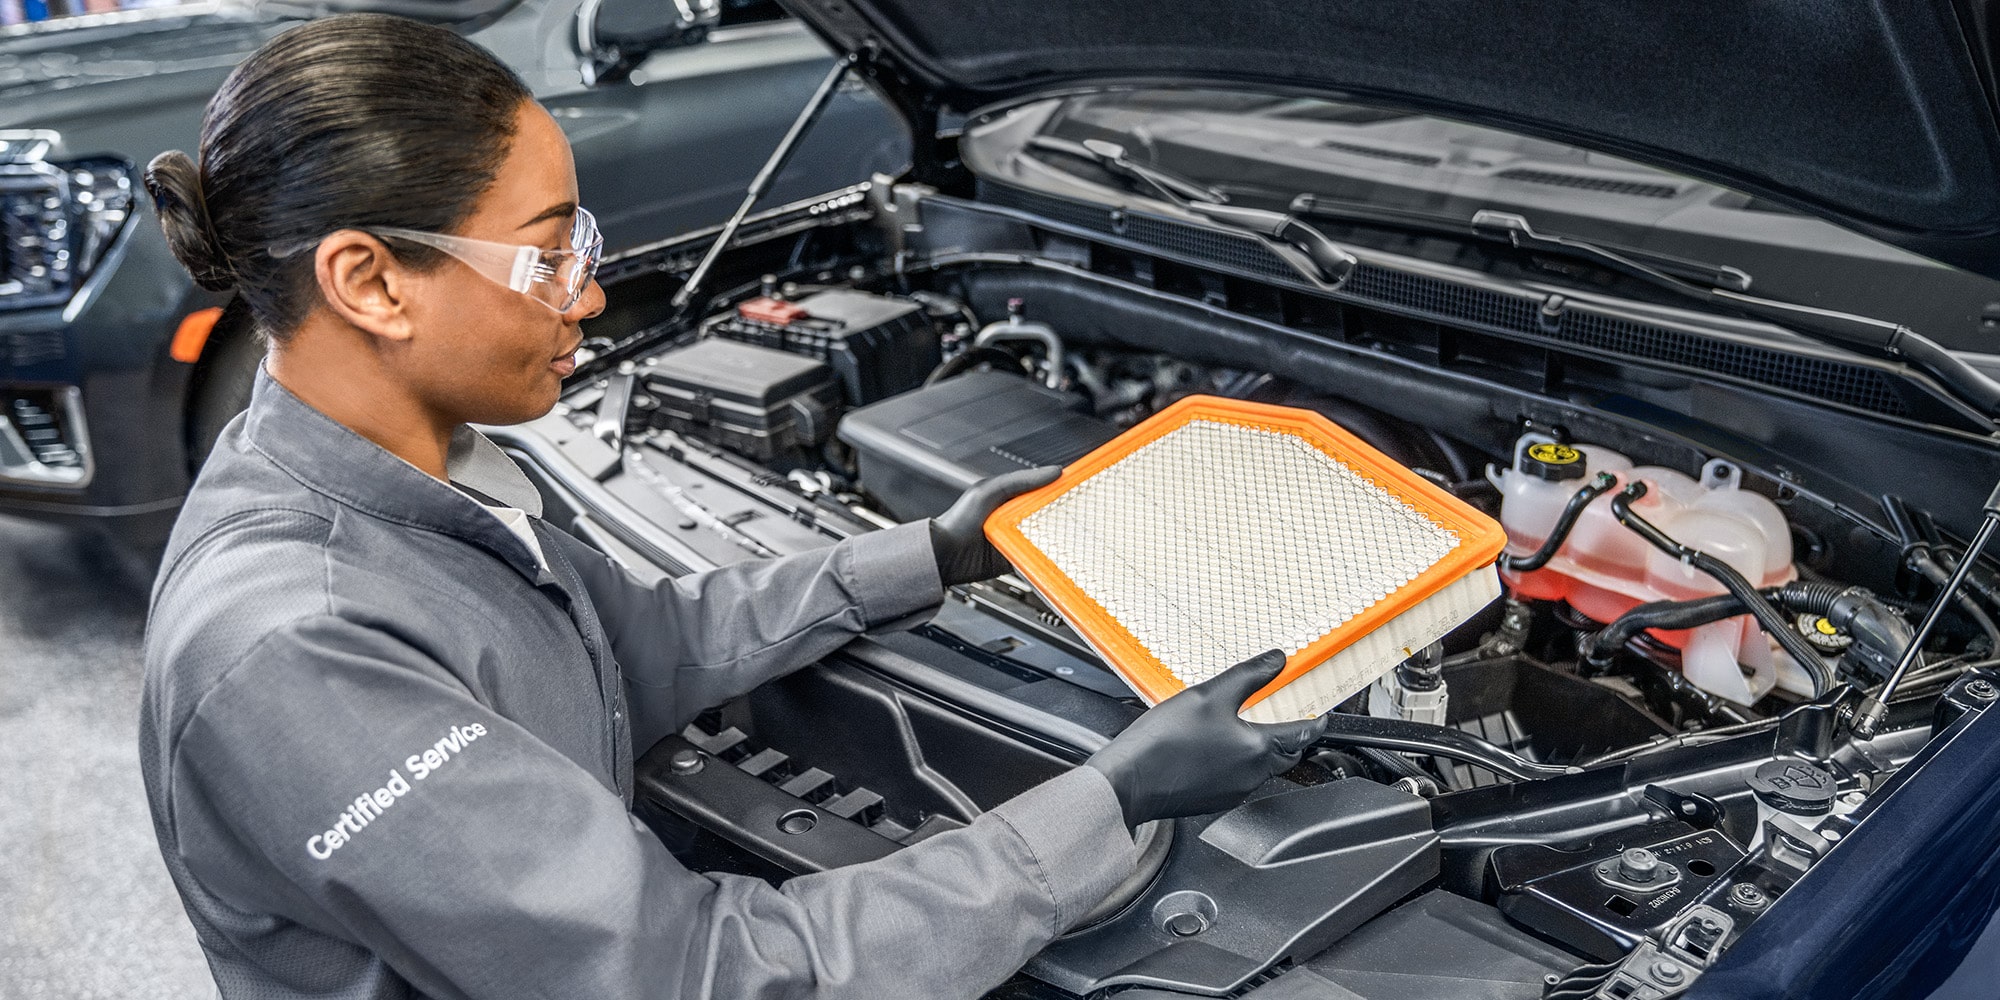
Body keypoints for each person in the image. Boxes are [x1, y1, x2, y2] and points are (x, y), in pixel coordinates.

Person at [137, 13, 1329, 1000]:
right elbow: (698, 973)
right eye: (547, 258)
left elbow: (642, 643)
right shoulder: (301, 652)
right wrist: (1107, 802)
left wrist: (933, 552)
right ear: (370, 281)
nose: (587, 298)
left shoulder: (406, 485)